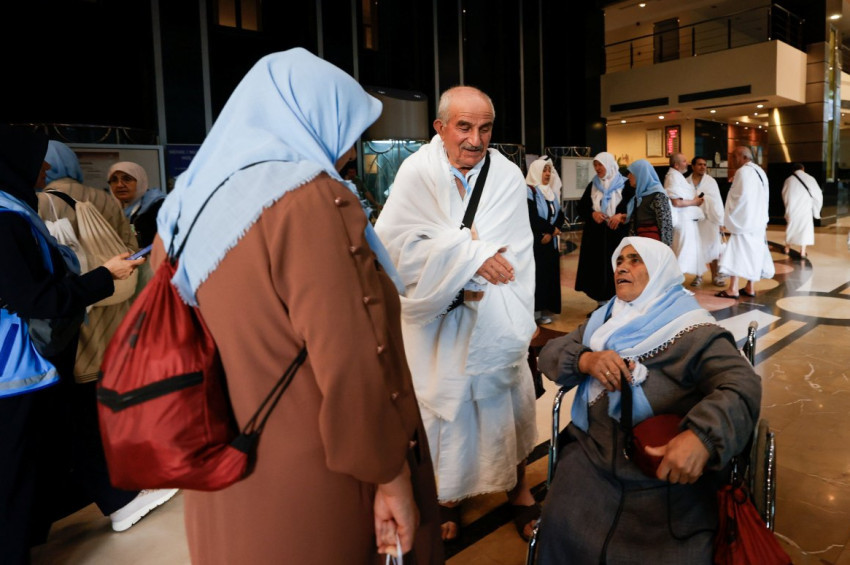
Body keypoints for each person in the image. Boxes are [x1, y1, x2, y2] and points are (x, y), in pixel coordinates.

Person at [153, 48, 441, 564]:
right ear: (311, 116)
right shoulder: (308, 200)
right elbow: (351, 359)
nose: (351, 148)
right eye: (348, 128)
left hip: (219, 470)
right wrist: (390, 473)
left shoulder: (182, 210)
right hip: (314, 483)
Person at [375, 85, 539, 542]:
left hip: (495, 313)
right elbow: (394, 247)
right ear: (440, 127)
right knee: (445, 413)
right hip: (437, 321)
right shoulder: (416, 172)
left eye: (485, 128)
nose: (475, 139)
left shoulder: (506, 175)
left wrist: (467, 254)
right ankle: (448, 494)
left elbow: (513, 252)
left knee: (503, 403)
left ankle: (517, 487)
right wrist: (472, 255)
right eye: (464, 127)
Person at [535, 236, 762, 563]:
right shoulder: (604, 320)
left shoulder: (694, 330)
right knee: (560, 525)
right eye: (619, 260)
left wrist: (703, 436)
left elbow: (741, 382)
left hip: (663, 470)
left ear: (659, 270)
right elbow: (550, 354)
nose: (622, 267)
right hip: (593, 456)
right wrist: (585, 359)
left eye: (635, 260)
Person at [0, 127, 148, 563]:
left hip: (26, 363)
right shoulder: (8, 220)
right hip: (18, 366)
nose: (45, 166)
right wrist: (105, 276)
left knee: (45, 448)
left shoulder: (16, 210)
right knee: (17, 464)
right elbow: (37, 299)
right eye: (37, 157)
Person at [575, 152, 634, 305]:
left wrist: (621, 216)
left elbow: (634, 208)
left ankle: (619, 303)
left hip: (617, 234)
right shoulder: (593, 185)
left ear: (609, 165)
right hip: (596, 235)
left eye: (600, 164)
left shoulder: (626, 185)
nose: (597, 168)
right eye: (595, 165)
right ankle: (601, 305)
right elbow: (581, 208)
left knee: (617, 266)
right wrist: (593, 213)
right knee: (597, 269)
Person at [716, 146, 774, 299]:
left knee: (736, 252)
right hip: (759, 221)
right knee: (754, 253)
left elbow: (740, 198)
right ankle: (750, 287)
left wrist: (729, 217)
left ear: (743, 157)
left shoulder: (742, 172)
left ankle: (733, 289)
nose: (732, 160)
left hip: (744, 221)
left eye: (734, 156)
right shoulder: (760, 171)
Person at [526, 156, 565, 324]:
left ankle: (545, 309)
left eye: (549, 170)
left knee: (549, 276)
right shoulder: (528, 191)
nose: (548, 174)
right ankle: (534, 311)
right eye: (544, 170)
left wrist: (553, 231)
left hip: (550, 242)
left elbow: (560, 215)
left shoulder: (551, 193)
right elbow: (531, 217)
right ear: (536, 171)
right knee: (537, 276)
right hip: (537, 242)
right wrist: (549, 230)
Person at [664, 152, 705, 284]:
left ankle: (677, 282)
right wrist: (695, 202)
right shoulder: (672, 177)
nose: (686, 163)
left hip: (687, 220)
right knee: (681, 252)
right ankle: (674, 283)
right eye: (683, 161)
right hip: (682, 221)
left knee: (687, 251)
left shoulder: (678, 176)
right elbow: (676, 202)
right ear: (676, 165)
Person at [107, 161, 166, 248]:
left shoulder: (159, 207)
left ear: (140, 181)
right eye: (114, 180)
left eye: (127, 179)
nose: (119, 185)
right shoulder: (109, 209)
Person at [689, 156, 726, 286]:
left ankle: (716, 276)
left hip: (710, 219)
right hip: (694, 220)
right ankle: (698, 276)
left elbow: (718, 201)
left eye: (704, 164)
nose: (703, 167)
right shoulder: (686, 182)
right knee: (697, 248)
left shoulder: (711, 181)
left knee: (713, 248)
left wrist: (721, 222)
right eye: (700, 164)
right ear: (693, 166)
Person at [626, 159, 673, 246]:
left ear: (640, 174)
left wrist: (666, 249)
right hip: (639, 243)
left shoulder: (658, 195)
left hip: (654, 244)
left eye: (631, 173)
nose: (628, 176)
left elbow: (665, 225)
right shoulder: (638, 197)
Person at [782, 163, 823, 258]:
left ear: (793, 170)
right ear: (803, 169)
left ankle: (787, 248)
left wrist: (787, 209)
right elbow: (818, 194)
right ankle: (803, 251)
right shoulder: (810, 179)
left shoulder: (788, 180)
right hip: (805, 209)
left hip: (792, 209)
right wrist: (816, 210)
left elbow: (785, 195)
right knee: (805, 230)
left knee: (791, 228)